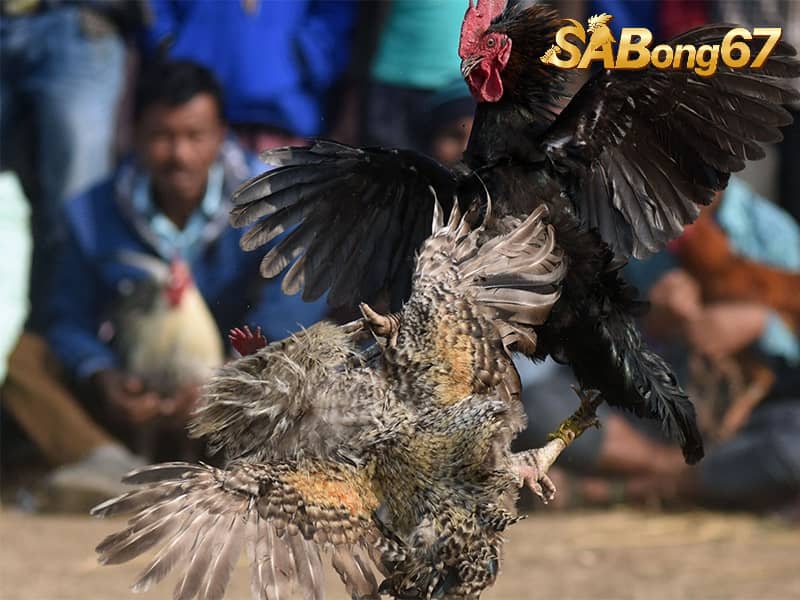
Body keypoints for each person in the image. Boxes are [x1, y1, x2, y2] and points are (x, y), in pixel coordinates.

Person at [1, 60, 327, 506]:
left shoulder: (273, 202)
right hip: (132, 394)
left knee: (318, 355)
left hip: (237, 391)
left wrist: (229, 377)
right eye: (162, 137)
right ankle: (106, 463)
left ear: (221, 135)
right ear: (134, 135)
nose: (180, 154)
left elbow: (295, 302)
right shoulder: (91, 213)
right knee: (24, 363)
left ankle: (255, 470)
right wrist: (101, 374)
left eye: (195, 136)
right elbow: (66, 317)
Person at [519, 177, 800, 512]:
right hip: (652, 415)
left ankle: (619, 490)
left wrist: (760, 324)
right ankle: (679, 471)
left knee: (790, 446)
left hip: (750, 418)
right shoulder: (625, 228)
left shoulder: (772, 231)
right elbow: (587, 343)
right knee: (536, 406)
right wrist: (649, 324)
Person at [140, 0, 357, 153]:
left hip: (286, 119)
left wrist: (303, 56)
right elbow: (155, 11)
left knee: (281, 212)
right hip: (194, 116)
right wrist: (170, 45)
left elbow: (334, 15)